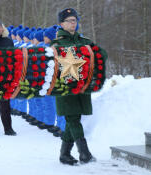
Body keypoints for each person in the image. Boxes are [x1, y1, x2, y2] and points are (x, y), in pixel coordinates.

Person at [51, 8, 107, 165]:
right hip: (65, 89)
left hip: (82, 87)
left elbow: (102, 54)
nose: (72, 23)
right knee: (73, 117)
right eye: (69, 20)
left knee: (73, 118)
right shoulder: (57, 44)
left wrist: (93, 54)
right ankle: (85, 153)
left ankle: (64, 154)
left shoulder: (85, 42)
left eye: (74, 20)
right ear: (61, 24)